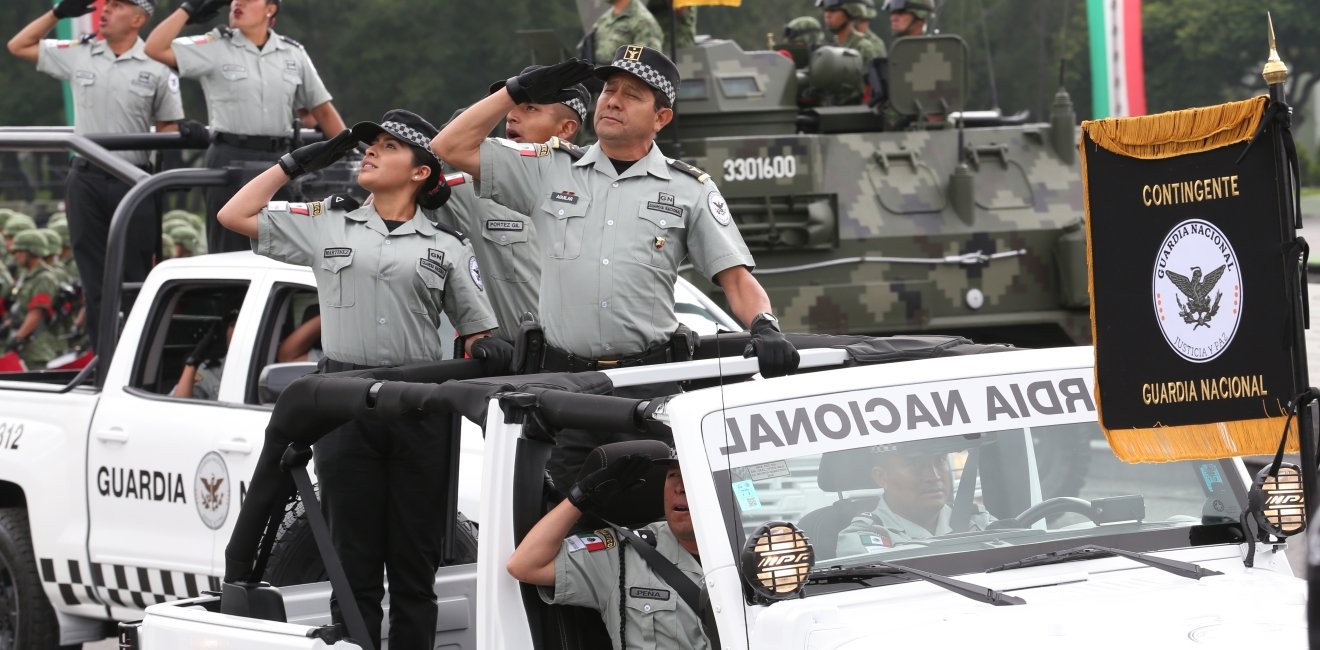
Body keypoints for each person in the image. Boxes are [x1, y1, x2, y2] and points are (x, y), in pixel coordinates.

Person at [433, 49, 800, 490]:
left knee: (648, 518)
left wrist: (764, 325)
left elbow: (736, 278)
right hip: (564, 389)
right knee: (561, 531)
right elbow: (448, 147)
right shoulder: (549, 168)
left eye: (631, 95)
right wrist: (517, 91)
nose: (612, 100)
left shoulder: (689, 189)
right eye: (608, 89)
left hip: (645, 386)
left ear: (661, 117)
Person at [218, 108, 502, 650]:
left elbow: (478, 332)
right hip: (344, 403)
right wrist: (293, 164)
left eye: (388, 147)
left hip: (420, 406)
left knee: (417, 564)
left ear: (421, 172)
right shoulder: (329, 221)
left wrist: (486, 347)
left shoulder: (446, 247)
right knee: (353, 561)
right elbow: (235, 214)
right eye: (368, 145)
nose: (369, 151)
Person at [7, 0, 183, 353]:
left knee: (135, 278)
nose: (104, 10)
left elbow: (170, 127)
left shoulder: (158, 63)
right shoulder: (81, 52)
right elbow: (18, 45)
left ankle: (136, 360)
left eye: (117, 5)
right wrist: (57, 13)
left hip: (133, 179)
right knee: (94, 280)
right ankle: (102, 359)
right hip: (85, 178)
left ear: (138, 19)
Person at [146, 0, 346, 254]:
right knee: (229, 248)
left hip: (280, 163)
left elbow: (323, 111)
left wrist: (348, 149)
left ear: (270, 9)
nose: (237, 3)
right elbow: (154, 48)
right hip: (230, 158)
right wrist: (188, 9)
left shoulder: (293, 53)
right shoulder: (216, 46)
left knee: (279, 244)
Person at [435, 74, 589, 343]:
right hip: (506, 366)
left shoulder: (601, 186)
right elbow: (388, 218)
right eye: (510, 108)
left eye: (530, 108)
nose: (511, 117)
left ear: (566, 129)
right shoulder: (469, 190)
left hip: (590, 360)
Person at [507, 448, 708, 650]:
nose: (680, 487)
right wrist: (582, 497)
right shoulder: (626, 553)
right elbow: (524, 565)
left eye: (692, 473)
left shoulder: (739, 548)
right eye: (673, 475)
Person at [835, 448, 993, 555]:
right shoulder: (860, 538)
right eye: (914, 464)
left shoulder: (979, 521)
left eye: (940, 460)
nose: (934, 476)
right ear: (881, 477)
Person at [5, 231, 63, 370]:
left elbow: (36, 313)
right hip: (24, 346)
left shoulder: (44, 278)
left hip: (36, 349)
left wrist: (18, 338)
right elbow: (21, 309)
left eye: (19, 251)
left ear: (31, 252)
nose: (15, 256)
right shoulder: (27, 275)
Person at [172, 308, 234, 399]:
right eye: (233, 325)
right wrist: (193, 362)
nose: (237, 330)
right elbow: (181, 404)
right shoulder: (208, 371)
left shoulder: (261, 368)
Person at [818, 0, 887, 70]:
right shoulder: (829, 47)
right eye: (826, 10)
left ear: (850, 12)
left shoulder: (863, 47)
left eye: (833, 10)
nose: (827, 15)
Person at [590, 0, 663, 63]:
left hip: (621, 76)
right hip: (597, 74)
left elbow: (647, 63)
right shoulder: (604, 19)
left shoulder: (643, 21)